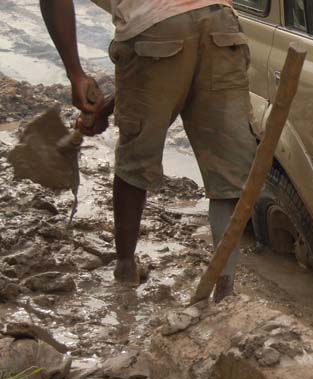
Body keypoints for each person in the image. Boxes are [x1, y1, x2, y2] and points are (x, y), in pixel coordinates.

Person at [39, 0, 257, 302]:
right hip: (219, 22)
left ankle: (125, 270)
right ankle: (225, 290)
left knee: (136, 158)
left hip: (155, 31)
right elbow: (180, 40)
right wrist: (111, 106)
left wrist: (76, 75)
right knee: (229, 169)